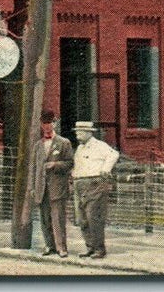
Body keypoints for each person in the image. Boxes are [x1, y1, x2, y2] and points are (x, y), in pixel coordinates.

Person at [71, 120, 120, 258]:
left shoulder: (99, 145)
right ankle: (90, 247)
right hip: (79, 184)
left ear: (88, 133)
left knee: (94, 217)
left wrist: (105, 169)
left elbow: (114, 154)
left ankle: (99, 249)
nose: (77, 135)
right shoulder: (80, 148)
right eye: (76, 132)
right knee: (82, 219)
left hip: (94, 184)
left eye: (80, 132)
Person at [33, 109, 73, 257]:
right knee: (45, 219)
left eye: (50, 123)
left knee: (58, 219)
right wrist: (33, 187)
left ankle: (61, 248)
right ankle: (49, 245)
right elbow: (34, 168)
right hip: (41, 188)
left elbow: (70, 163)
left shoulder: (64, 143)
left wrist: (55, 165)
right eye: (44, 123)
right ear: (41, 125)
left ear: (55, 123)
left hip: (57, 188)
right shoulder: (37, 145)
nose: (47, 126)